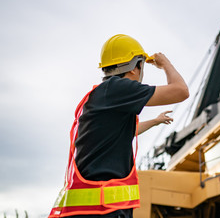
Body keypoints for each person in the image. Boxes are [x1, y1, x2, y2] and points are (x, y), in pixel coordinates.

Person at [49, 34, 189, 218]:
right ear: (134, 67)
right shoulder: (117, 88)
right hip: (102, 211)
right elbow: (181, 91)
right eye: (142, 65)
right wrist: (165, 64)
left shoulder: (102, 96)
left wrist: (155, 121)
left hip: (93, 211)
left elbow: (124, 134)